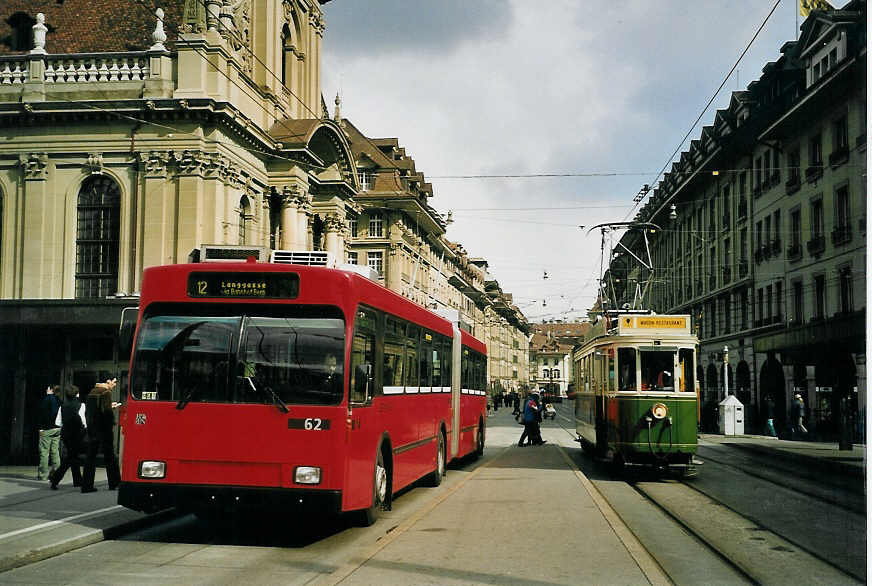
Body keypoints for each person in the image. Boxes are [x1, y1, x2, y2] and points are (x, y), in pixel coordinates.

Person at [82, 377, 121, 493]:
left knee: (90, 458)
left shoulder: (92, 392)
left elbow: (92, 412)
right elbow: (106, 413)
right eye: (114, 382)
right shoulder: (105, 392)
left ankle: (87, 485)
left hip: (93, 429)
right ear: (108, 381)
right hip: (104, 430)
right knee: (110, 457)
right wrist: (111, 410)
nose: (114, 385)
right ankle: (114, 483)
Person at [49, 385, 85, 489]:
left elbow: (58, 422)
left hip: (66, 434)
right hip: (77, 434)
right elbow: (83, 421)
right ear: (77, 394)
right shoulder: (81, 405)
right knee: (70, 458)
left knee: (73, 456)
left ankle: (77, 480)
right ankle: (55, 478)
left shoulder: (63, 406)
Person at [37, 385, 62, 481]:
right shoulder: (59, 400)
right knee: (55, 451)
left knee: (44, 452)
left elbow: (42, 414)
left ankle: (43, 475)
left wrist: (41, 428)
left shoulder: (46, 400)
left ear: (50, 389)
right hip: (57, 428)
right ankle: (56, 473)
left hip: (47, 429)